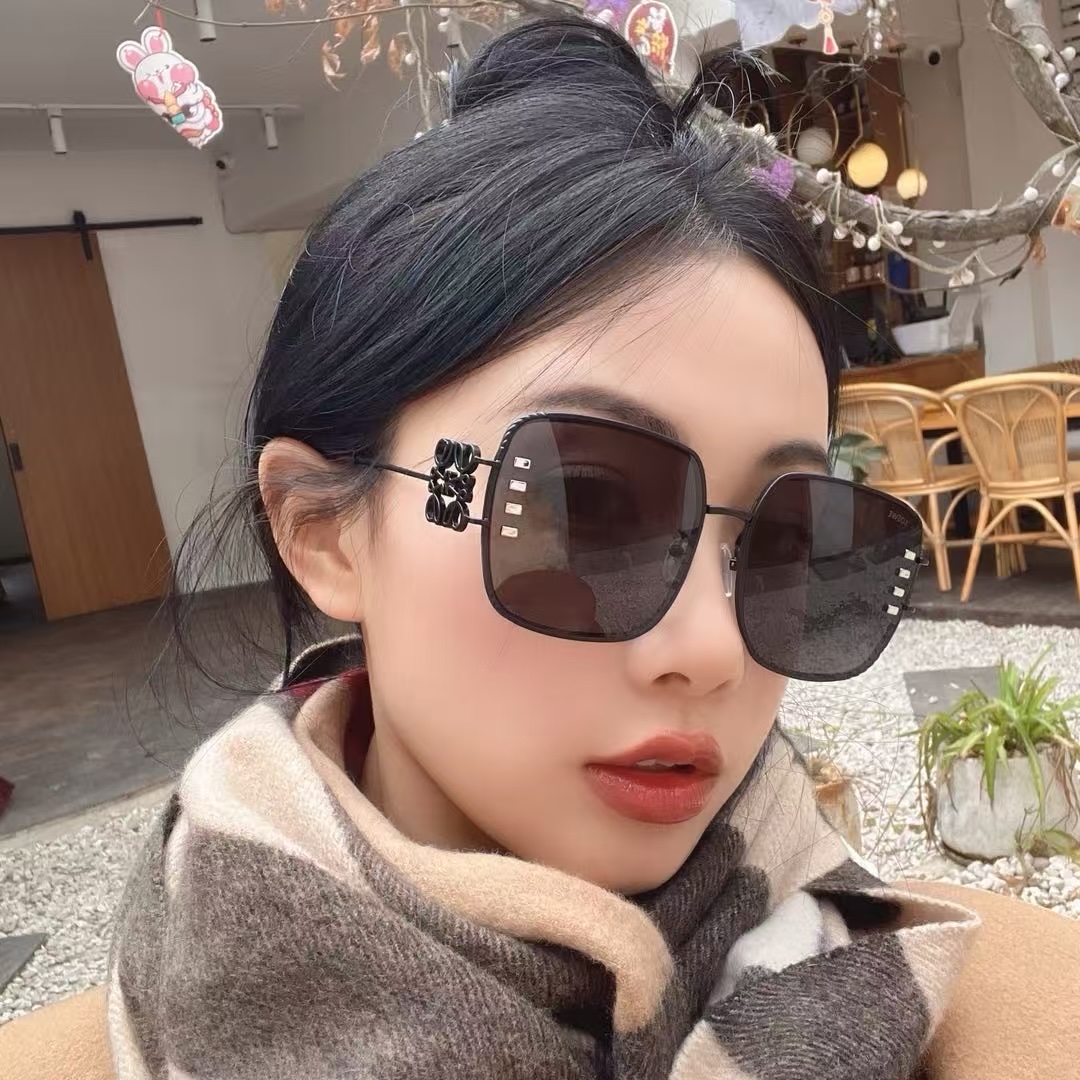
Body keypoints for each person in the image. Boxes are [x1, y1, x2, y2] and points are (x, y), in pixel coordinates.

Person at [106, 17, 980, 1080]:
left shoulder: (924, 978)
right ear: (323, 529)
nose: (713, 650)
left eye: (784, 538)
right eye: (586, 509)